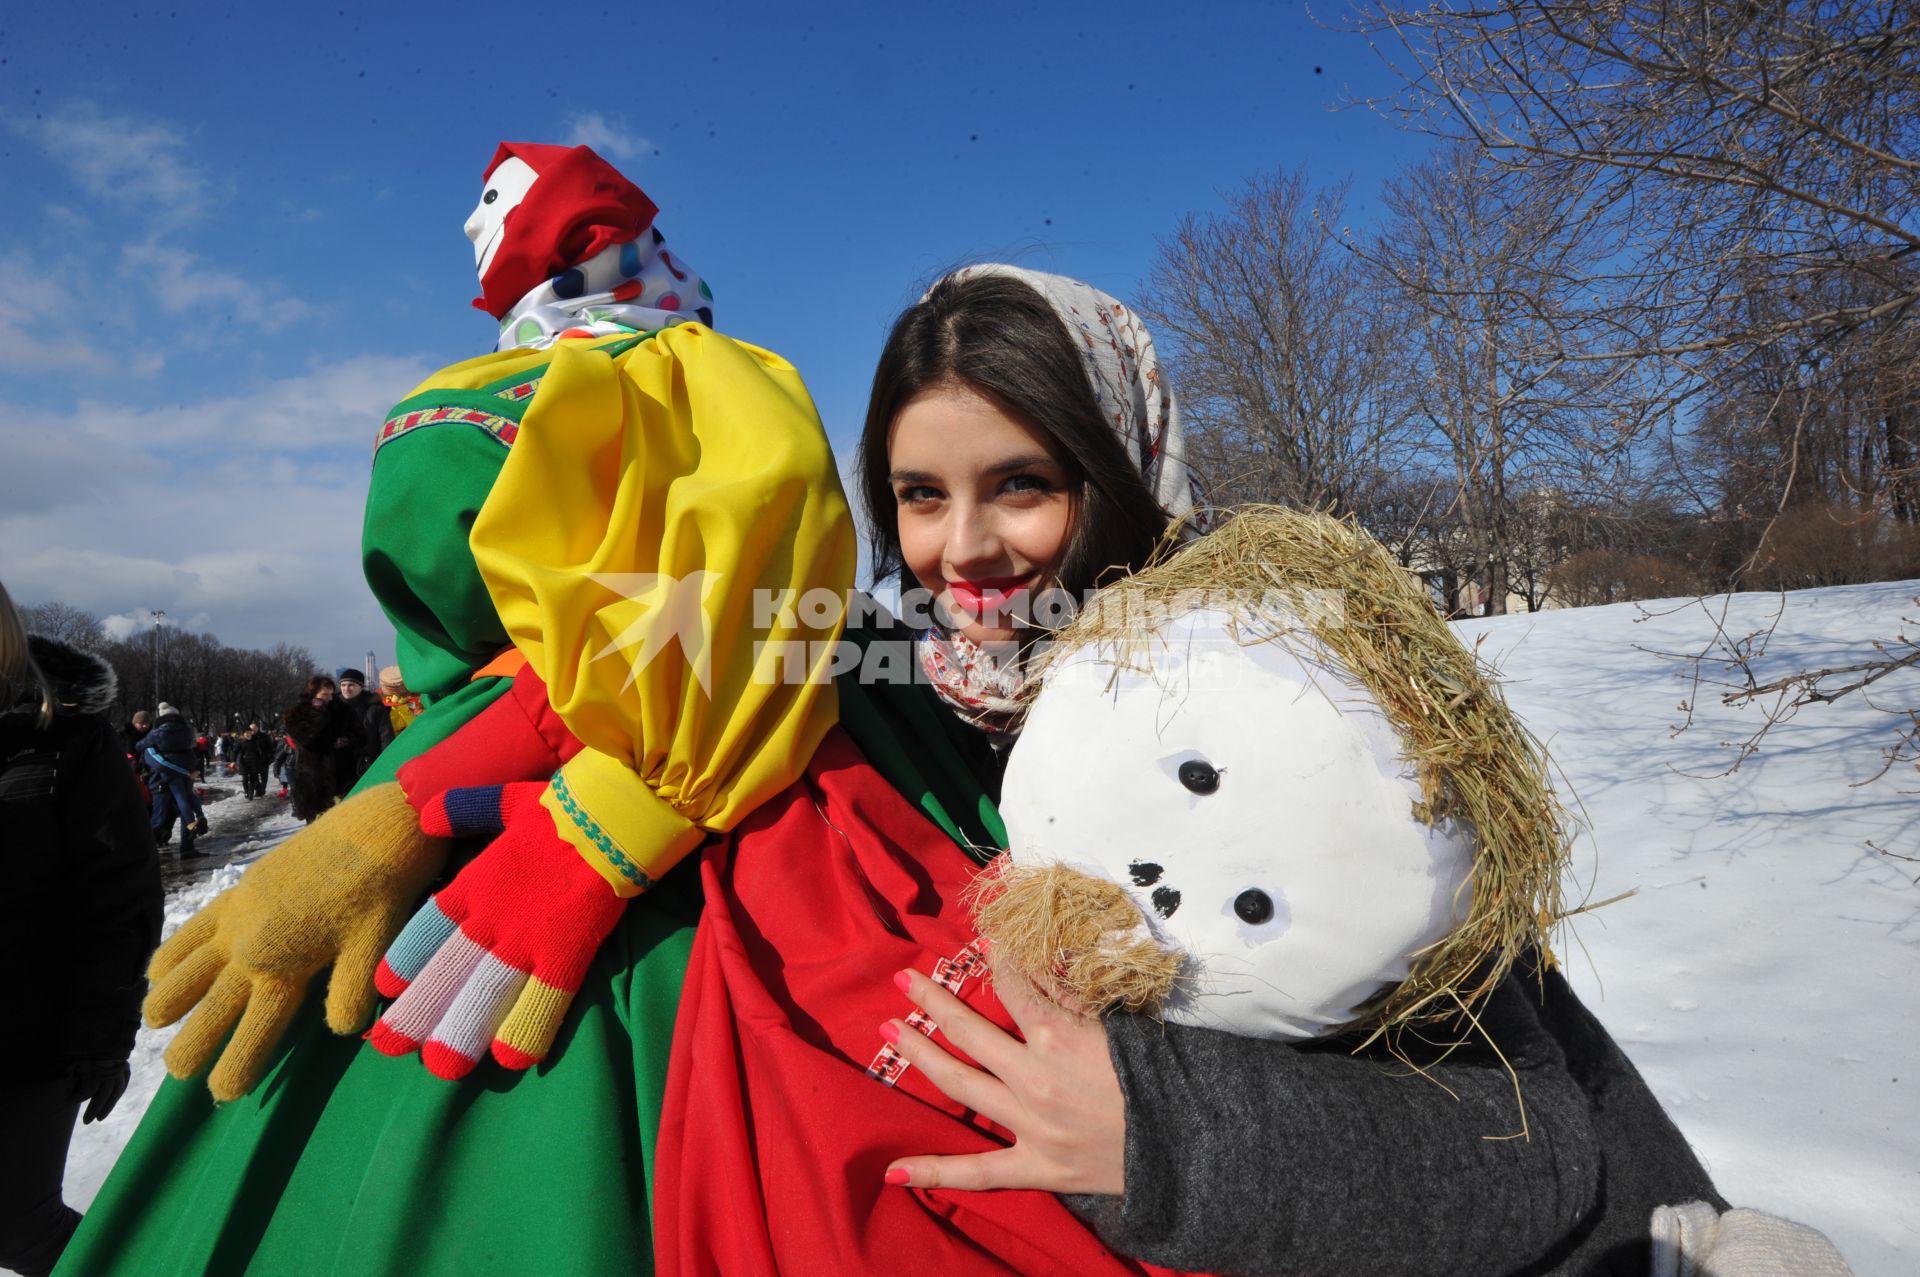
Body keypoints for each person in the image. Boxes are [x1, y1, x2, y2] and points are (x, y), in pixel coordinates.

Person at [0, 580, 162, 1277]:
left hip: (25, 1033)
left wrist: (101, 1032)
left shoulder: (63, 735)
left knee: (16, 1224)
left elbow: (118, 896)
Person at [284, 674, 364, 823]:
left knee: (343, 823)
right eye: (325, 695)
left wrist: (347, 741)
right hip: (313, 779)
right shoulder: (298, 712)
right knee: (316, 826)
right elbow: (305, 738)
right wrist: (318, 713)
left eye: (331, 694)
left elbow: (360, 735)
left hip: (343, 776)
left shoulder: (343, 710)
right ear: (312, 693)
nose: (330, 699)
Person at [134, 701, 208, 856]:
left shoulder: (155, 735)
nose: (143, 726)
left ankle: (187, 848)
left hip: (165, 778)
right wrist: (189, 770)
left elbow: (152, 757)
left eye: (145, 723)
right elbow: (188, 754)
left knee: (175, 813)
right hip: (162, 781)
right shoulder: (183, 733)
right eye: (140, 724)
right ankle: (144, 850)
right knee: (161, 817)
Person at [335, 667, 394, 781]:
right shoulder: (332, 707)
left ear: (361, 687)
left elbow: (386, 738)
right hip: (338, 766)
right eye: (343, 685)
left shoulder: (375, 708)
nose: (346, 689)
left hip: (367, 766)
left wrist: (384, 765)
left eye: (351, 685)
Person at [236, 722, 274, 799]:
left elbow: (270, 748)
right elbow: (239, 749)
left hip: (264, 759)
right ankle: (257, 791)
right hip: (253, 761)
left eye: (253, 729)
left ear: (256, 728)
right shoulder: (249, 739)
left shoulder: (264, 736)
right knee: (254, 778)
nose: (252, 731)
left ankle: (262, 790)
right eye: (251, 730)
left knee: (263, 776)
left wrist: (269, 758)